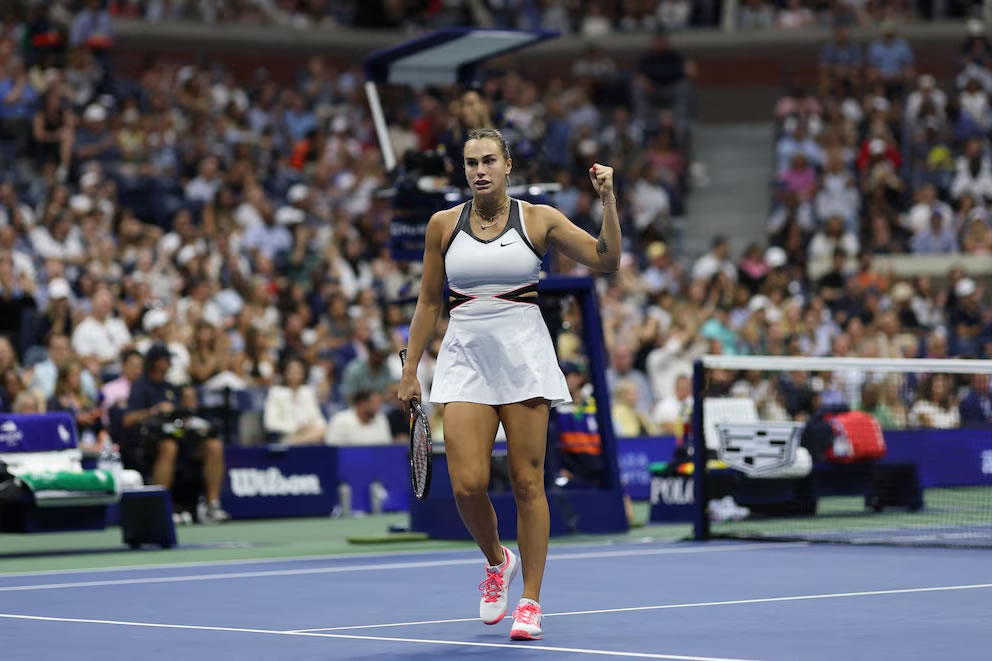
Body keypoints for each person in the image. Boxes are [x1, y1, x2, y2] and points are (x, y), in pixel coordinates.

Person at [398, 127, 620, 641]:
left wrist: (608, 200)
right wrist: (410, 370)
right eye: (471, 162)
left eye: (489, 161)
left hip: (523, 356)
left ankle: (531, 602)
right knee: (466, 484)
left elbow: (606, 258)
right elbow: (429, 301)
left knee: (526, 482)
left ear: (507, 166)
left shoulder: (538, 219)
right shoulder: (442, 225)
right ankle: (498, 560)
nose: (480, 170)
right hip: (465, 357)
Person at [122, 345, 229, 523]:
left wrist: (188, 411)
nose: (169, 364)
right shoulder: (141, 386)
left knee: (214, 446)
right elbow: (128, 419)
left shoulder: (171, 387)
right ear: (155, 362)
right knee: (169, 447)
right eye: (166, 360)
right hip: (151, 443)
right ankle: (160, 508)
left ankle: (212, 505)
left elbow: (181, 416)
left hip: (180, 438)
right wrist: (154, 410)